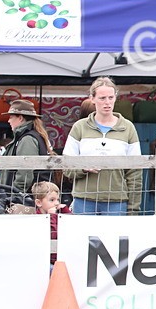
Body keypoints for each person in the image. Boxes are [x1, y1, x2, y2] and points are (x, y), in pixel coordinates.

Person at [63, 77, 142, 215]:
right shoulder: (79, 127)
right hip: (84, 199)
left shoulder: (128, 128)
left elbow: (135, 173)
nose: (107, 102)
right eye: (102, 98)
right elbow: (66, 166)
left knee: (114, 236)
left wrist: (133, 208)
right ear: (92, 99)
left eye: (111, 97)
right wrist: (83, 167)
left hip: (117, 201)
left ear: (116, 98)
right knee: (83, 237)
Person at [1, 100, 55, 197]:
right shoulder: (32, 136)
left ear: (20, 118)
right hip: (32, 196)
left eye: (11, 117)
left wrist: (15, 195)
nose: (8, 121)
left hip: (25, 198)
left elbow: (25, 174)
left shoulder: (27, 139)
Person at [32, 180, 70, 266]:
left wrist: (66, 211)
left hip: (62, 258)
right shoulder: (37, 219)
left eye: (58, 199)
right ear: (39, 203)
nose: (56, 203)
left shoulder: (59, 214)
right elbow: (52, 235)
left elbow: (73, 226)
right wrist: (51, 217)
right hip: (45, 261)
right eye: (52, 200)